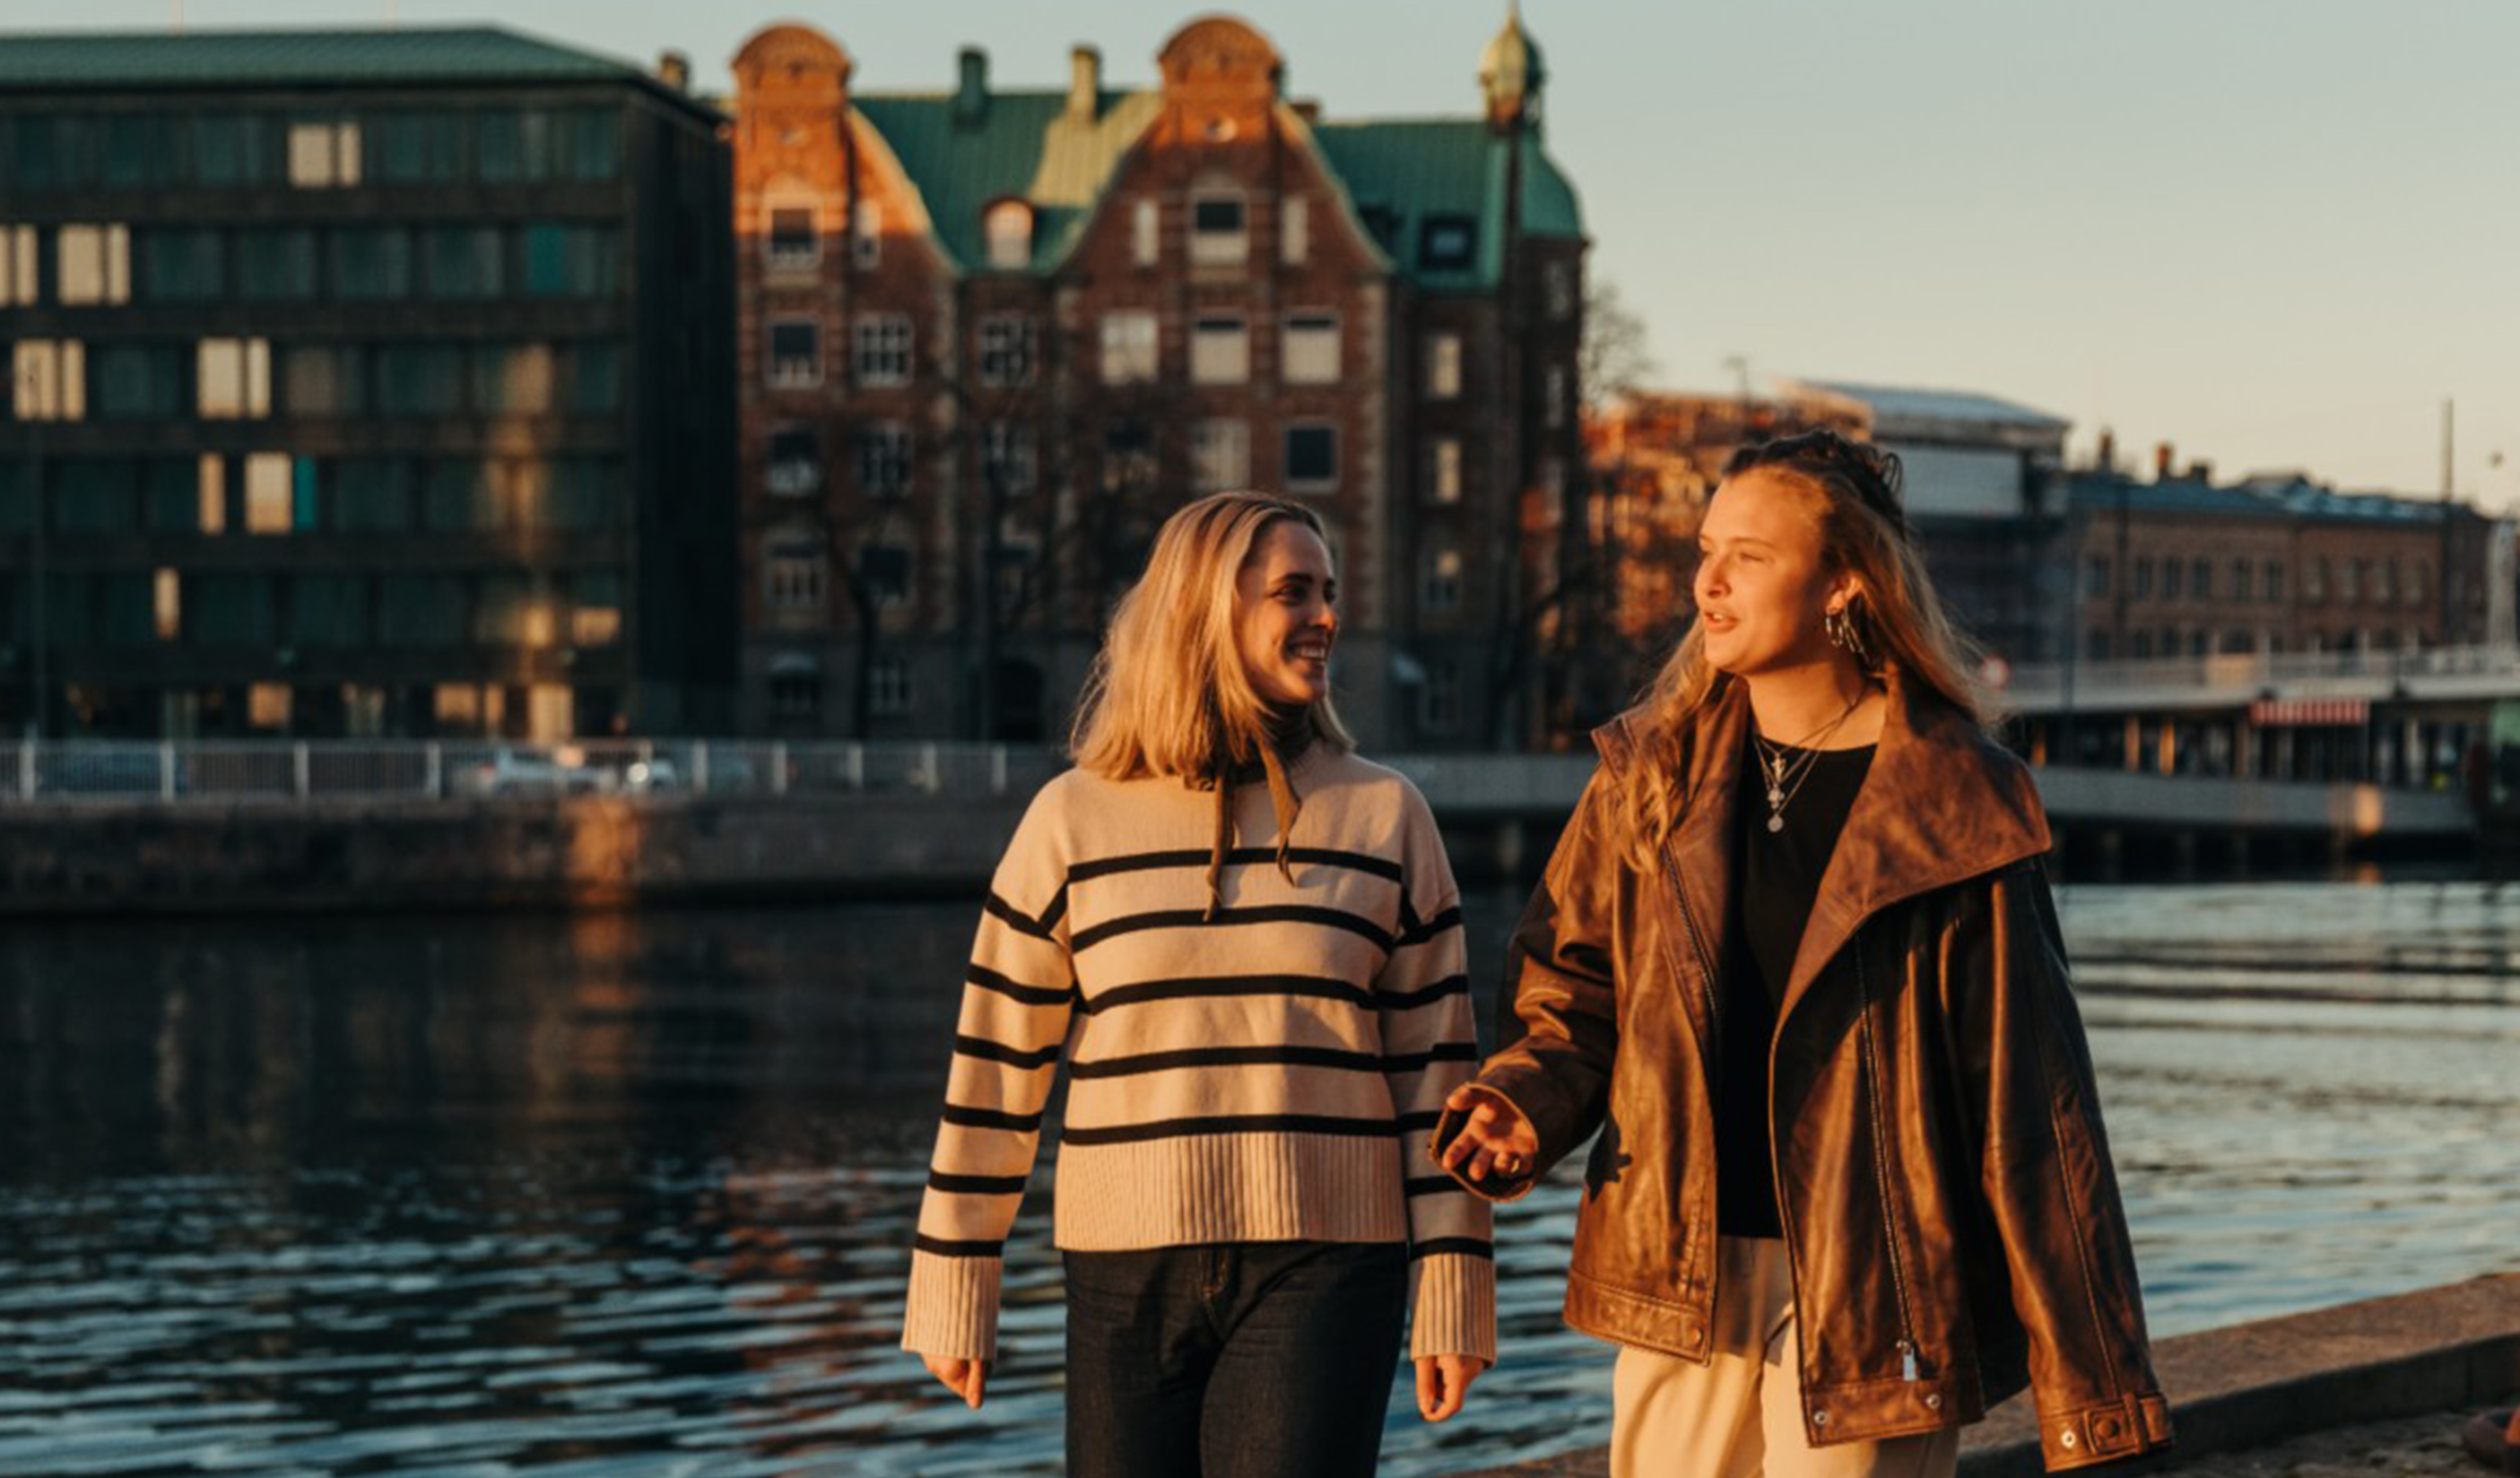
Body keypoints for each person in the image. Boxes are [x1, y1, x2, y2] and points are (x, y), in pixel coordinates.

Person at [1433, 431, 2173, 1476]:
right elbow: (1575, 989)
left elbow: (2031, 1105)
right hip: (1675, 1270)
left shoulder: (1955, 798)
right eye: (1705, 549)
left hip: (1878, 1284)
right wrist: (1529, 1094)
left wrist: (2095, 1391)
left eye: (1750, 555)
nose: (1708, 583)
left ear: (1841, 583)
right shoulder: (1650, 772)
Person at [902, 492, 1499, 1477]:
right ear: (1203, 610)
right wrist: (956, 1270)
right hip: (1120, 1264)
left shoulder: (1387, 816)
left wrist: (1454, 1286)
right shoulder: (1071, 821)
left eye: (1330, 592)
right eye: (1293, 592)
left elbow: (1438, 1081)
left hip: (1330, 1258)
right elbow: (996, 1065)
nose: (1326, 616)